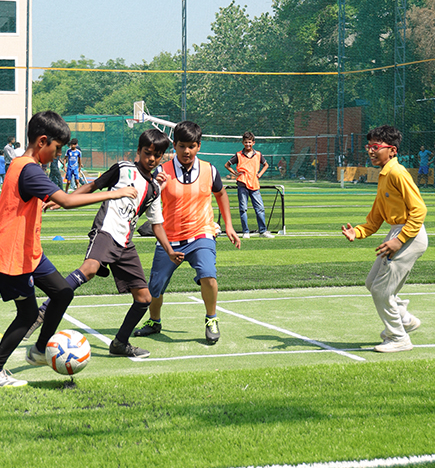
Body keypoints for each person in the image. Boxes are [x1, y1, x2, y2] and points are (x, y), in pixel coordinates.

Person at [0, 111, 137, 386]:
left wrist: (43, 201)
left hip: (29, 252)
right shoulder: (28, 168)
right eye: (57, 148)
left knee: (62, 292)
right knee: (26, 315)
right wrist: (115, 192)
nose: (58, 154)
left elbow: (35, 198)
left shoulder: (22, 165)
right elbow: (66, 201)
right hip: (12, 256)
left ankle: (40, 350)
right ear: (42, 141)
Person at [26, 129, 178, 359]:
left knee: (144, 298)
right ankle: (44, 310)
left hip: (125, 243)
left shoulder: (155, 189)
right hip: (106, 230)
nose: (151, 159)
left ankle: (120, 343)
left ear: (162, 158)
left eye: (157, 156)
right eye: (147, 153)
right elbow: (94, 186)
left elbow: (157, 224)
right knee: (90, 269)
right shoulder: (124, 169)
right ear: (138, 151)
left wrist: (170, 250)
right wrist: (63, 200)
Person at [133, 121, 241, 345]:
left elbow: (221, 195)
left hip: (201, 234)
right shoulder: (162, 171)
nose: (186, 151)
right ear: (175, 145)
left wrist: (228, 225)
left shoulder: (210, 169)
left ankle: (211, 319)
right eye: (182, 146)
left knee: (208, 275)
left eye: (191, 146)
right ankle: (154, 321)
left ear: (198, 146)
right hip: (169, 239)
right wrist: (156, 186)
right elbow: (145, 201)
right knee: (155, 287)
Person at [340, 125, 428, 353]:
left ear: (392, 150)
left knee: (381, 290)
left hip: (409, 234)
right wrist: (357, 232)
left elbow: (419, 210)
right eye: (369, 146)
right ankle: (405, 320)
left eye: (376, 147)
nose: (370, 151)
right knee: (372, 283)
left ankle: (398, 337)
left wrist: (399, 240)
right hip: (398, 232)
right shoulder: (384, 175)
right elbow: (375, 218)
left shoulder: (397, 173)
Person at [224, 131, 275, 239]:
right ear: (243, 143)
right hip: (242, 183)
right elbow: (227, 165)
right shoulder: (238, 155)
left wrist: (260, 174)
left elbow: (266, 165)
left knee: (260, 208)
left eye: (250, 142)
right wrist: (235, 173)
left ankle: (263, 231)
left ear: (253, 143)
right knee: (243, 208)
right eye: (246, 142)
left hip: (254, 184)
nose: (248, 144)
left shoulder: (258, 154)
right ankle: (245, 231)